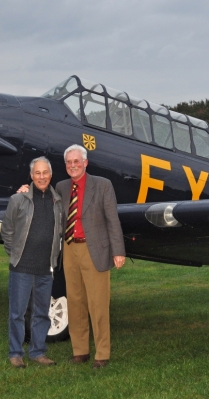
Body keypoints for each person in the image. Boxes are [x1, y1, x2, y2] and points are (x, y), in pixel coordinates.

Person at [58, 144, 125, 369]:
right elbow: (46, 204)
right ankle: (80, 351)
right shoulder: (61, 187)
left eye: (77, 161)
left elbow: (112, 220)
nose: (73, 165)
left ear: (85, 162)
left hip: (94, 248)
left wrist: (118, 251)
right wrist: (25, 192)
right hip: (69, 249)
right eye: (69, 162)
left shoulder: (103, 185)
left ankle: (102, 354)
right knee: (75, 302)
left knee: (98, 303)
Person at [1, 156, 64, 368]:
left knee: (41, 313)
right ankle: (16, 353)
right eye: (37, 173)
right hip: (22, 267)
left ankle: (38, 352)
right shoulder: (17, 200)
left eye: (45, 173)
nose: (42, 177)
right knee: (17, 313)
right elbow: (7, 231)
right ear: (31, 176)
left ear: (51, 175)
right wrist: (16, 254)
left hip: (46, 268)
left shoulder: (58, 202)